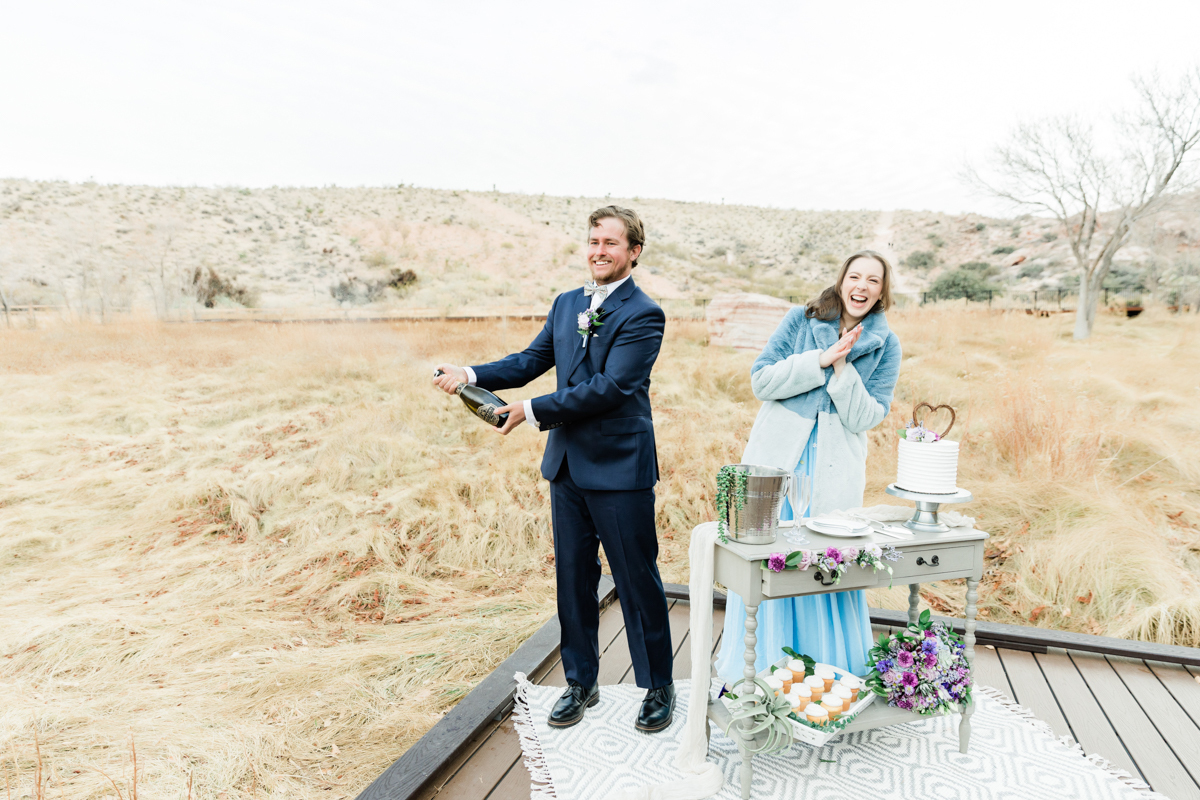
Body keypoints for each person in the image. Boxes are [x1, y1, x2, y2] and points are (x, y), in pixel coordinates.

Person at [433, 206, 676, 732]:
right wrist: (469, 372)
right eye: (594, 241)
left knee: (636, 581)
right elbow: (530, 360)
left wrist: (530, 410)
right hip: (566, 467)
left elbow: (612, 388)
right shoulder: (567, 304)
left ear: (634, 252)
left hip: (620, 468)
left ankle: (658, 685)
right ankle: (580, 683)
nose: (599, 251)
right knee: (572, 578)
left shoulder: (645, 313)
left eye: (612, 243)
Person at [714, 250, 901, 684]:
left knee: (825, 562)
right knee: (769, 561)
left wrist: (841, 368)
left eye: (873, 281)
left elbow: (866, 417)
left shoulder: (886, 345)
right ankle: (759, 675)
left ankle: (828, 678)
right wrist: (818, 359)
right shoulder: (802, 320)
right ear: (841, 281)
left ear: (881, 292)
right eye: (855, 276)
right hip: (776, 465)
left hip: (833, 470)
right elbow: (761, 379)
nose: (862, 287)